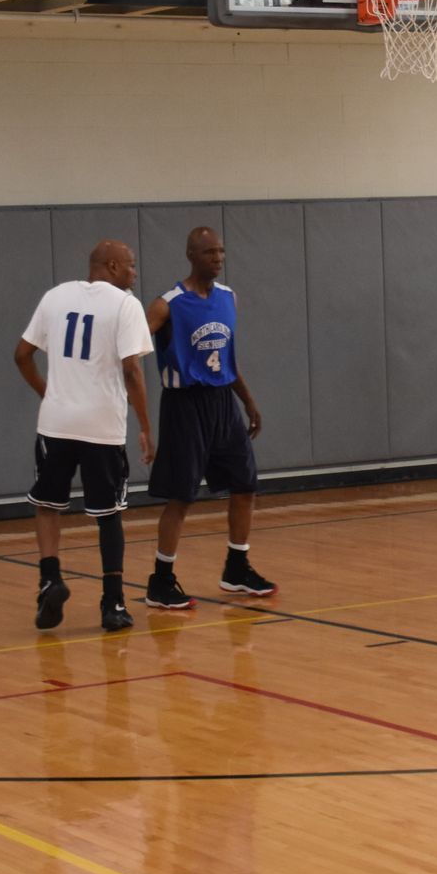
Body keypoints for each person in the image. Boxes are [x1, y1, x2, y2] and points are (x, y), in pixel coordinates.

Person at [14, 239, 155, 633]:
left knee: (47, 505)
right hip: (102, 426)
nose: (135, 273)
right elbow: (132, 370)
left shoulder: (55, 296)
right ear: (111, 266)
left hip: (56, 423)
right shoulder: (125, 305)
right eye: (130, 265)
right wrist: (146, 426)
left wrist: (49, 394)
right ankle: (113, 603)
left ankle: (50, 579)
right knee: (108, 515)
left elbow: (21, 355)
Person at [143, 226, 275, 605]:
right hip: (184, 405)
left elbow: (228, 357)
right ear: (191, 255)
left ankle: (236, 568)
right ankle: (161, 581)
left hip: (223, 401)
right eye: (209, 252)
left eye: (220, 251)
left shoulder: (229, 298)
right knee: (182, 495)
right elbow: (132, 346)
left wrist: (247, 401)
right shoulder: (167, 303)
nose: (217, 258)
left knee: (245, 484)